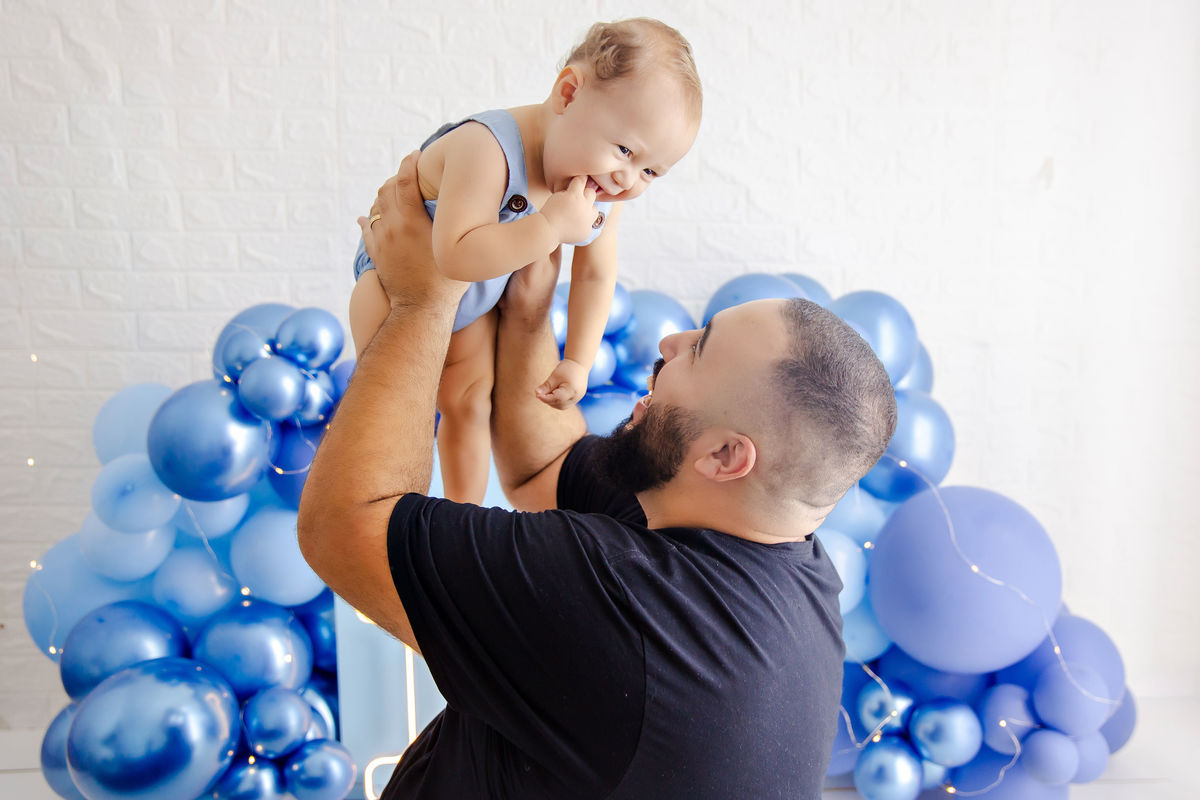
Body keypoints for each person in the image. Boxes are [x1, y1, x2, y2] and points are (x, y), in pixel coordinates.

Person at [298, 155, 898, 798]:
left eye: (699, 349)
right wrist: (529, 310)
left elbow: (345, 524)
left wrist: (425, 297)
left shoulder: (630, 612)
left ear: (726, 457)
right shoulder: (760, 548)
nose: (670, 342)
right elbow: (544, 466)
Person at [347, 17, 702, 503]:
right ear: (568, 94)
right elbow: (455, 255)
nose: (627, 180)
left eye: (651, 172)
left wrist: (577, 361)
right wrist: (550, 227)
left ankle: (463, 512)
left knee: (470, 404)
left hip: (471, 302)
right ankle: (386, 511)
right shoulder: (487, 148)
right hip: (393, 290)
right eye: (624, 150)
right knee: (398, 410)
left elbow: (595, 273)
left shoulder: (601, 189)